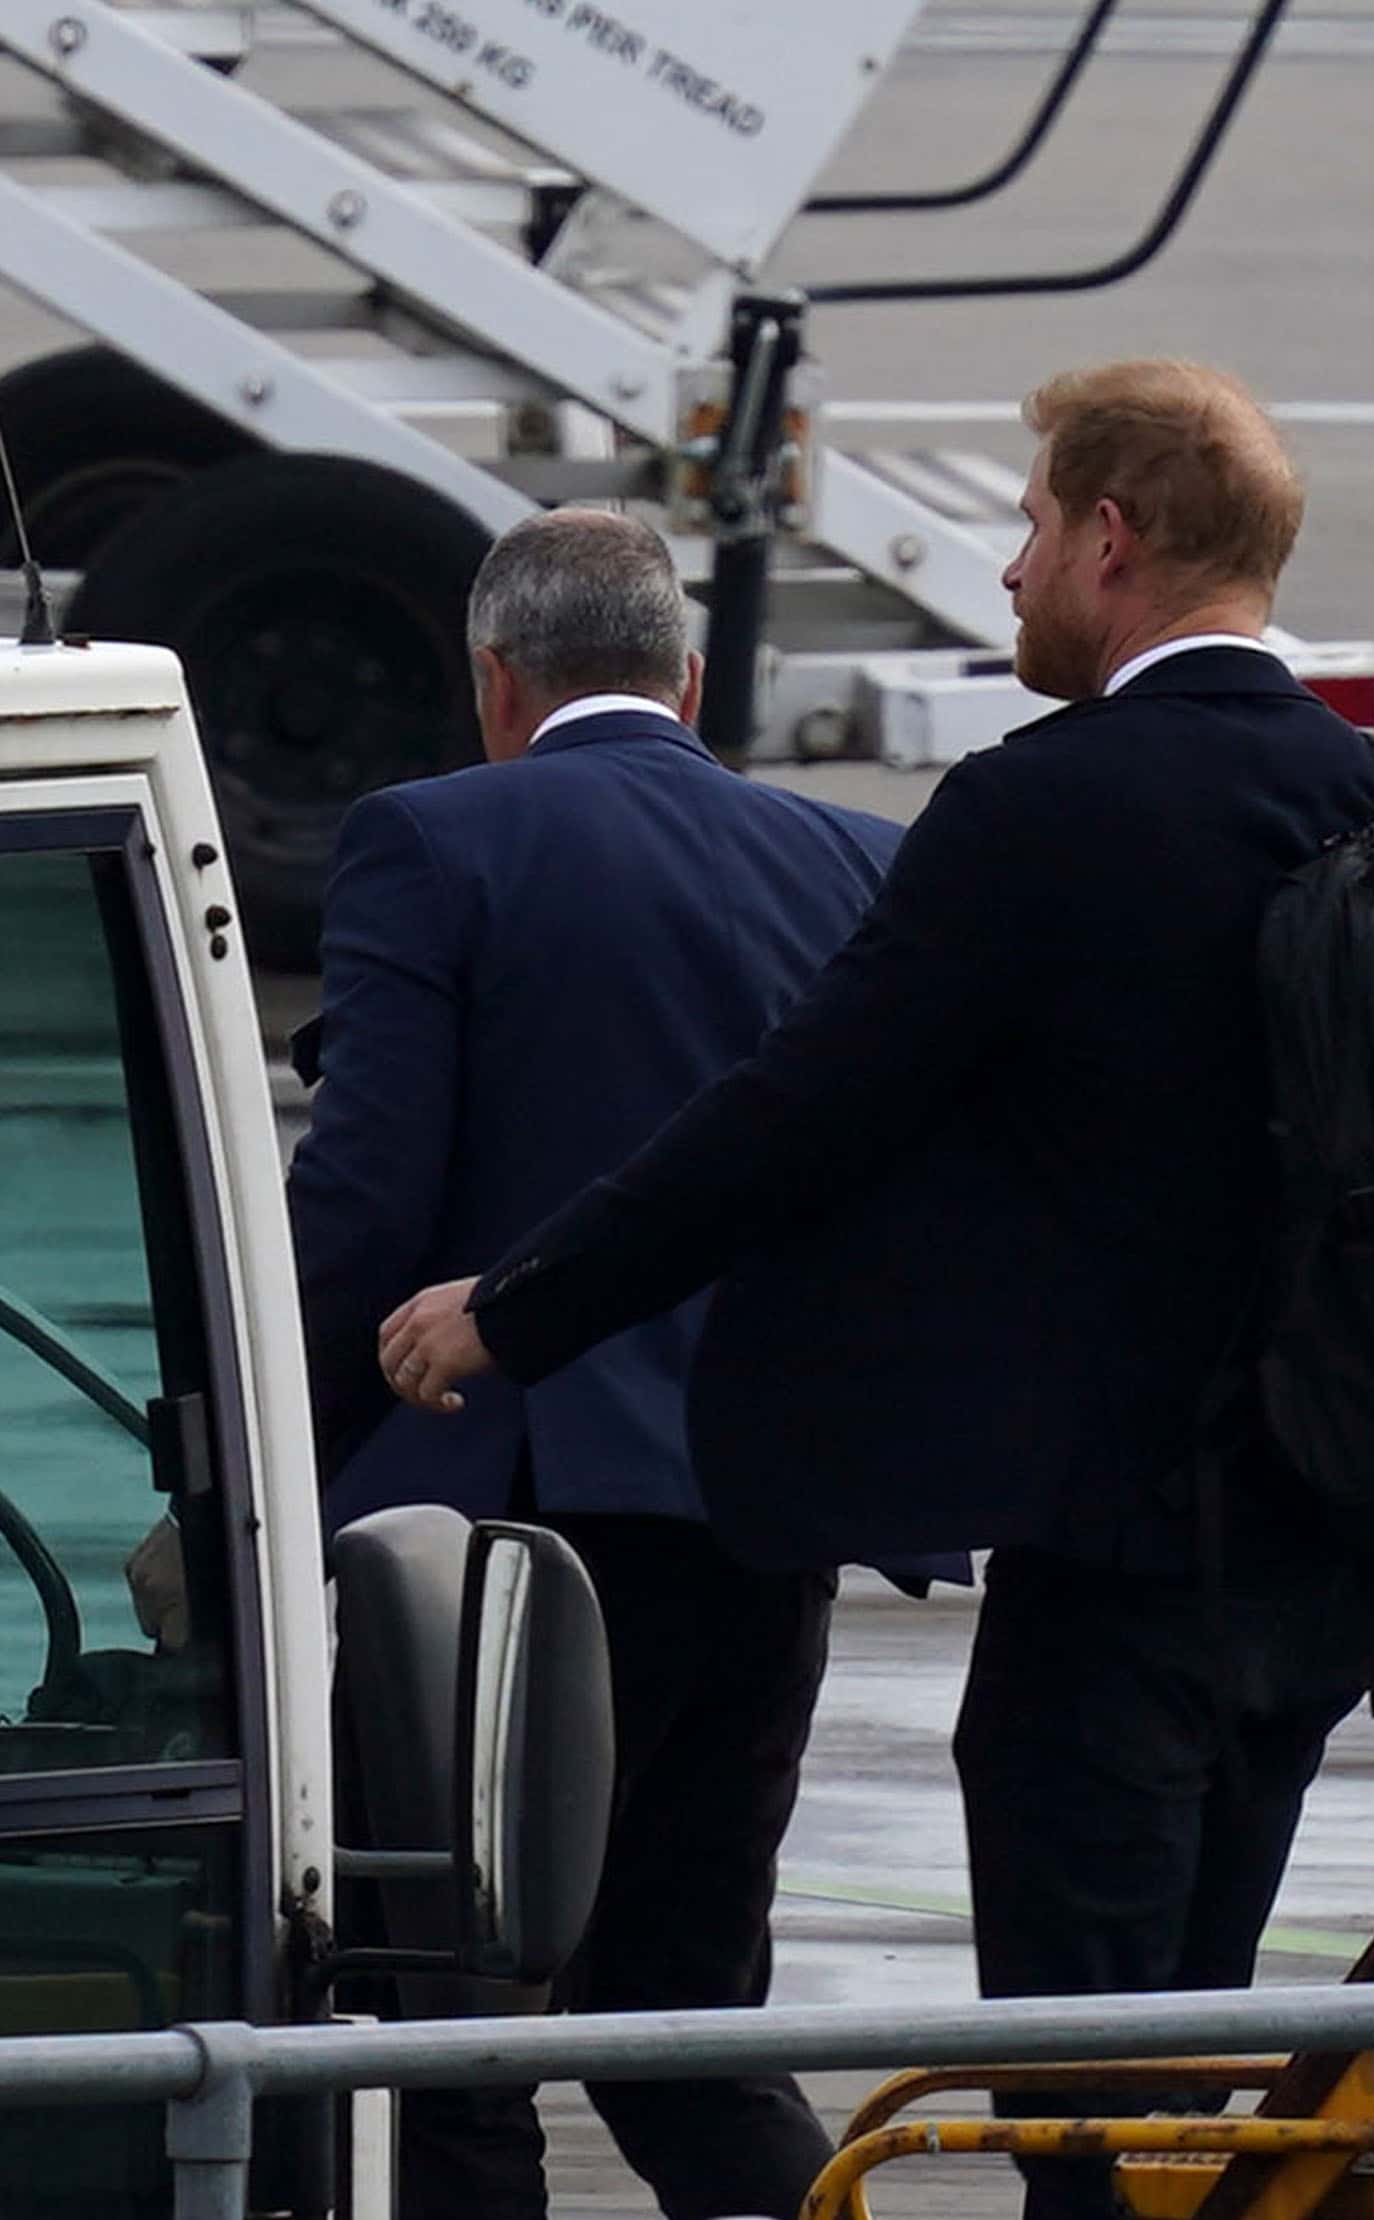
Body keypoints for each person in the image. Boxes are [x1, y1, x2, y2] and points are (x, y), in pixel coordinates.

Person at [373, 360, 1374, 2220]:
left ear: (1108, 539)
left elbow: (788, 1125)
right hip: (1319, 1587)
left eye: (1022, 528)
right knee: (1175, 2083)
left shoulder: (1046, 809)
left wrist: (511, 1309)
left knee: (1081, 2120)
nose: (1004, 575)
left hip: (1114, 1572)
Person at [287, 506, 915, 2220]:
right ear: (691, 677)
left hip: (509, 1542)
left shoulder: (434, 839)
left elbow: (363, 1200)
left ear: (492, 680)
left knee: (444, 2037)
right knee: (689, 2020)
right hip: (760, 1523)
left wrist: (258, 1457)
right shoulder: (850, 862)